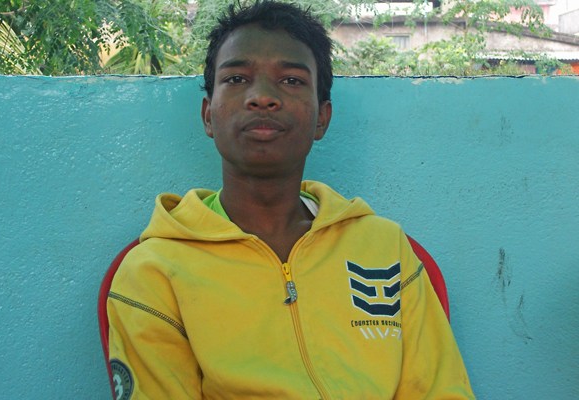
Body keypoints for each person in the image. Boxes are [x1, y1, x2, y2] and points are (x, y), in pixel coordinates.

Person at [106, 1, 475, 398]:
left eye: (292, 80)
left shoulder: (386, 248)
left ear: (322, 118)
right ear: (208, 115)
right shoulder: (154, 271)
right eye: (236, 78)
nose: (263, 97)